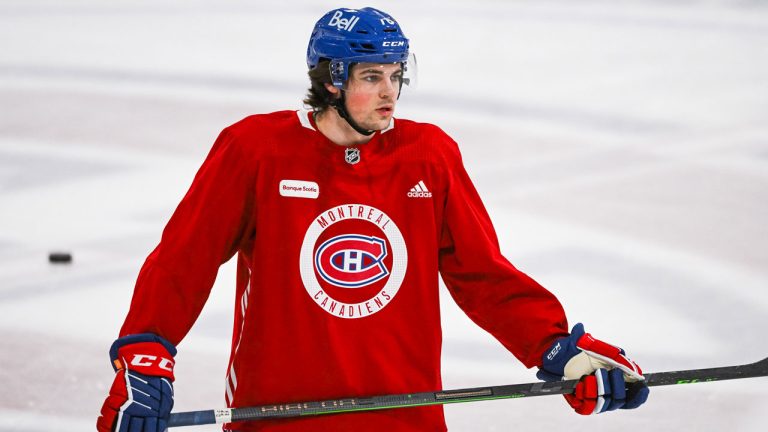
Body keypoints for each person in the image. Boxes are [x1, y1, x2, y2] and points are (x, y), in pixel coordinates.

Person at [97, 7, 649, 432]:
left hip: (405, 416)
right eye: (371, 76)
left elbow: (482, 274)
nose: (389, 93)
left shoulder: (429, 156)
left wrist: (559, 351)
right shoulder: (255, 150)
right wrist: (146, 352)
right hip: (280, 417)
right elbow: (183, 259)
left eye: (395, 74)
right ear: (331, 80)